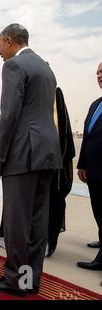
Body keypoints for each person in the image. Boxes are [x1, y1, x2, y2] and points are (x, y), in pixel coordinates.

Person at [0, 24, 62, 297]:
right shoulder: (45, 67)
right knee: (37, 222)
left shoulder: (14, 66)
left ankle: (16, 281)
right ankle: (31, 279)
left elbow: (10, 115)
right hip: (47, 153)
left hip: (23, 154)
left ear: (8, 41)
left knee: (17, 220)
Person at [0, 87, 76, 257]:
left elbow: (61, 135)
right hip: (22, 163)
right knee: (18, 205)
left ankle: (32, 256)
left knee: (41, 207)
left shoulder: (54, 95)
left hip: (46, 164)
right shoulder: (22, 94)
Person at [76, 62, 102, 271]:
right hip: (93, 170)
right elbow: (88, 137)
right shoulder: (95, 104)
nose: (99, 76)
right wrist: (82, 164)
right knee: (99, 210)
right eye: (97, 73)